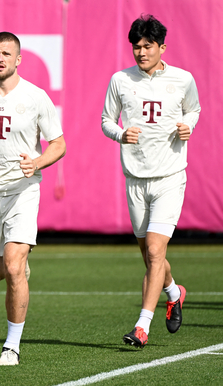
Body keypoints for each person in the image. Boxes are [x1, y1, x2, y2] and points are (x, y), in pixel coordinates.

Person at [0, 32, 66, 365]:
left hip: (22, 190)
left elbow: (58, 144)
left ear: (19, 59)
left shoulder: (35, 97)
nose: (0, 58)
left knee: (14, 267)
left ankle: (11, 346)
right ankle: (17, 265)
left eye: (6, 53)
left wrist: (37, 162)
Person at [101, 15, 200, 348]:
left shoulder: (183, 79)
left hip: (170, 175)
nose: (141, 52)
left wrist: (188, 126)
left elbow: (194, 110)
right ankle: (174, 291)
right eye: (136, 46)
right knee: (149, 255)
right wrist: (120, 133)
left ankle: (142, 326)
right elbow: (105, 120)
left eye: (147, 46)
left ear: (162, 47)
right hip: (135, 178)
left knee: (157, 251)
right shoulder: (120, 80)